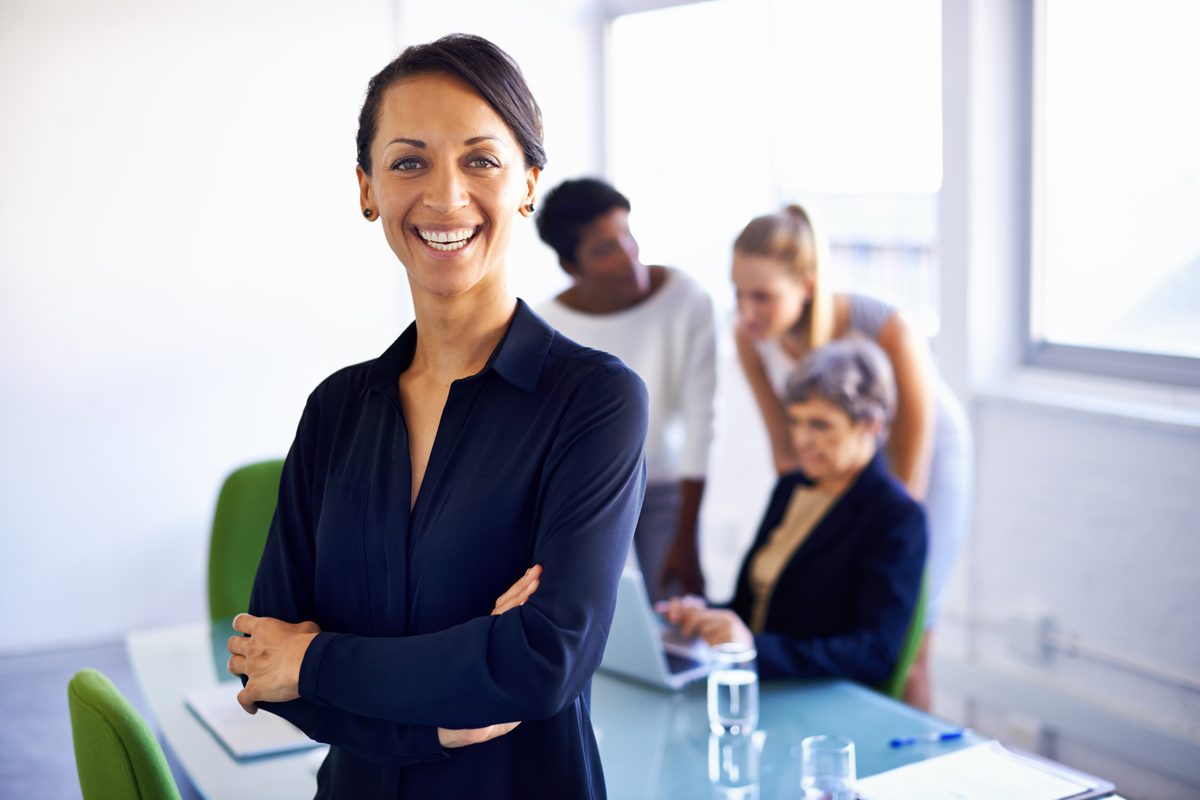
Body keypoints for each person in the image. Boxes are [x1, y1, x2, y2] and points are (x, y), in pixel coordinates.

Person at [224, 34, 648, 799]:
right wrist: (441, 716)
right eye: (409, 161)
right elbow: (263, 662)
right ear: (366, 188)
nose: (447, 197)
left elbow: (540, 665)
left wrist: (316, 661)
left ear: (528, 184)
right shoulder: (335, 409)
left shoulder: (595, 402)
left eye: (481, 159)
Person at [729, 205, 972, 707]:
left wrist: (884, 533)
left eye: (762, 297)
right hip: (840, 450)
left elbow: (905, 488)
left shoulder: (884, 327)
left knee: (910, 631)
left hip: (923, 450)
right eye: (738, 293)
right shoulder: (749, 337)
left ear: (808, 285)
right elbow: (788, 457)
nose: (747, 311)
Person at [657, 337, 926, 684]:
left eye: (820, 424)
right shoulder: (791, 487)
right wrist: (706, 616)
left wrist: (752, 648)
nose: (801, 440)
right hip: (764, 683)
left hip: (818, 698)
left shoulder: (896, 515)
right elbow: (753, 606)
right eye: (796, 422)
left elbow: (876, 653)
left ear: (870, 425)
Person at [534, 178, 717, 601]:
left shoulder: (686, 298)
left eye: (627, 237)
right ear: (570, 266)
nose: (628, 259)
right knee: (594, 616)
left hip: (666, 488)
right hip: (587, 493)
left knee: (677, 609)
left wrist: (687, 537)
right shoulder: (544, 326)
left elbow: (702, 420)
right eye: (604, 250)